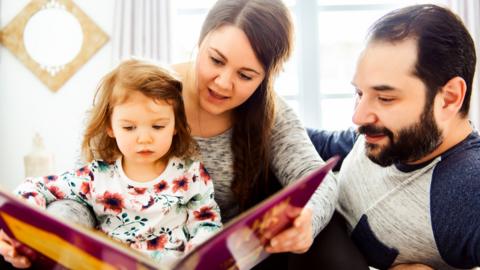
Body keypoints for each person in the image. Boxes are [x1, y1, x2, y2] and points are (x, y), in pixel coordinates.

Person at [0, 59, 222, 268]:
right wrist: (18, 223)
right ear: (110, 127)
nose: (144, 138)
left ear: (175, 125)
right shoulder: (97, 176)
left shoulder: (191, 174)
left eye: (158, 126)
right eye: (129, 127)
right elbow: (36, 187)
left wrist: (196, 257)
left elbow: (207, 223)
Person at [308, 4, 479, 269]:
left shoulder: (469, 188)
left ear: (449, 98)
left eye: (385, 98)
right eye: (360, 93)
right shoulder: (386, 138)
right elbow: (325, 145)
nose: (358, 117)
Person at [172, 0, 338, 263]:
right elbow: (83, 184)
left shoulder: (270, 113)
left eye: (246, 76)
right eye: (216, 60)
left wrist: (307, 220)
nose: (223, 83)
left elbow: (318, 179)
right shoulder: (143, 94)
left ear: (266, 78)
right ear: (200, 41)